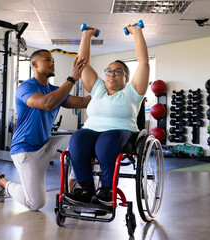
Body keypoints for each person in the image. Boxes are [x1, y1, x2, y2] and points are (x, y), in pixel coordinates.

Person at [0, 49, 90, 210]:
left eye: (53, 61)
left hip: (47, 145)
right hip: (25, 150)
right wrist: (72, 79)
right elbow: (46, 103)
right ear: (34, 64)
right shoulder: (26, 87)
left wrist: (110, 90)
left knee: (83, 143)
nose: (52, 63)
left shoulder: (55, 90)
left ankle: (71, 190)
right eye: (47, 60)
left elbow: (83, 102)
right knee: (35, 203)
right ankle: (1, 181)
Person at [64, 23, 149, 206]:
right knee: (77, 138)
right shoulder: (98, 88)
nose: (112, 74)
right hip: (91, 130)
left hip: (121, 131)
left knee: (106, 141)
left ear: (126, 78)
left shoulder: (133, 92)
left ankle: (107, 190)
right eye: (109, 71)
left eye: (118, 72)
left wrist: (137, 33)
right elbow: (82, 63)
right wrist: (86, 35)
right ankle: (86, 189)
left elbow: (143, 63)